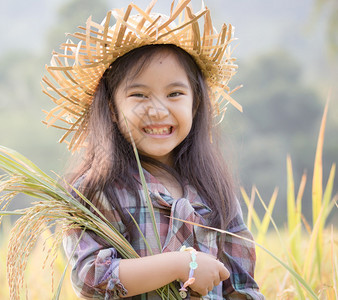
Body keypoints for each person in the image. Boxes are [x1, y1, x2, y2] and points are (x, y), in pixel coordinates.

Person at [42, 1, 264, 299]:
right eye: (139, 94)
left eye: (174, 94)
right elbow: (91, 277)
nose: (158, 110)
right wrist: (180, 264)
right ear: (112, 108)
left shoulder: (214, 190)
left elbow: (242, 286)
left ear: (195, 103)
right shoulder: (97, 191)